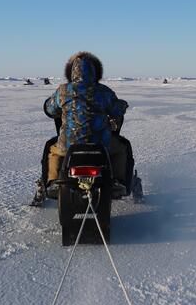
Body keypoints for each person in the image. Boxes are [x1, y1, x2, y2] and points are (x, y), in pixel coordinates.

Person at [40, 52, 130, 199]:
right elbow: (116, 110)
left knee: (53, 151)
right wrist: (122, 105)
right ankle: (118, 181)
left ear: (72, 71)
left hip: (68, 145)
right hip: (101, 145)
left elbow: (50, 109)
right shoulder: (104, 91)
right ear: (95, 72)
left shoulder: (63, 91)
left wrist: (49, 105)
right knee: (121, 149)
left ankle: (53, 181)